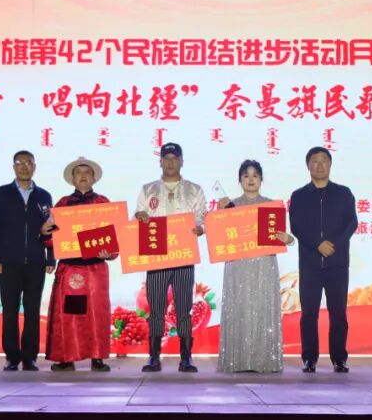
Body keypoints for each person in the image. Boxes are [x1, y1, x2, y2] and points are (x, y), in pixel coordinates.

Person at [133, 142, 208, 373]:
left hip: (184, 255)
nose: (170, 162)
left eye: (175, 158)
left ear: (182, 161)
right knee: (156, 309)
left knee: (184, 308)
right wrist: (140, 216)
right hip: (156, 257)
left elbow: (203, 218)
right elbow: (137, 217)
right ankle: (154, 357)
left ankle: (186, 357)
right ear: (160, 162)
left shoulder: (194, 190)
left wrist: (201, 228)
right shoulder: (148, 190)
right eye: (166, 158)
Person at [216, 160, 294, 373]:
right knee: (239, 307)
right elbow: (219, 237)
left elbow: (284, 237)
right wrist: (219, 214)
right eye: (246, 175)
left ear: (261, 179)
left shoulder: (271, 206)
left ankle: (264, 360)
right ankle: (237, 361)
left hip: (264, 265)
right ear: (239, 180)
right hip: (237, 266)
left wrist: (288, 239)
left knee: (262, 306)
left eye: (255, 175)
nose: (251, 179)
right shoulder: (230, 206)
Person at [288, 146, 358, 373]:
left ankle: (339, 358)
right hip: (310, 264)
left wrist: (333, 245)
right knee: (309, 314)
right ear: (308, 166)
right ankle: (309, 358)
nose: (319, 165)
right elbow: (296, 226)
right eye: (315, 161)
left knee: (338, 313)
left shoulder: (344, 193)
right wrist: (317, 244)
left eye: (324, 160)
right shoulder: (298, 196)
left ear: (330, 164)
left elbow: (351, 223)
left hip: (337, 264)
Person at [45, 157, 116, 372]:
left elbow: (115, 237)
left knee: (96, 314)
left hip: (95, 270)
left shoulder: (103, 203)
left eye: (87, 172)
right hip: (71, 270)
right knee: (71, 314)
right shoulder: (63, 205)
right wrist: (45, 233)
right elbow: (51, 239)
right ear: (72, 179)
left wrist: (109, 252)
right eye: (78, 172)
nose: (83, 176)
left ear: (94, 178)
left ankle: (97, 357)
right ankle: (67, 357)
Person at [0, 150, 56, 371]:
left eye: (28, 163)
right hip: (9, 262)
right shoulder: (1, 193)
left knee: (33, 311)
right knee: (10, 311)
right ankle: (11, 357)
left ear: (34, 167)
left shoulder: (44, 196)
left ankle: (29, 357)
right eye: (20, 163)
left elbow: (51, 228)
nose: (24, 166)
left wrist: (50, 258)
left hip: (36, 262)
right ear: (13, 167)